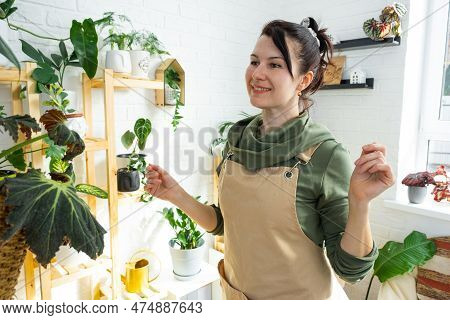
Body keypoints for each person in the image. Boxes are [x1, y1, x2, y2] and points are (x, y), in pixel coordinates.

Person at [144, 18, 395, 300]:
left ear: (304, 80)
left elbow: (350, 269)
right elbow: (227, 224)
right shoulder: (236, 140)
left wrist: (360, 202)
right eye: (254, 62)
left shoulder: (324, 154)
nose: (257, 74)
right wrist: (174, 193)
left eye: (274, 65)